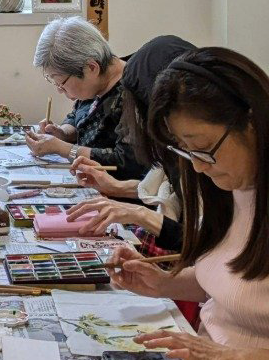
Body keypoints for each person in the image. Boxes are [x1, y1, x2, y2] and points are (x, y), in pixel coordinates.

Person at [104, 47, 269, 360]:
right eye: (186, 153)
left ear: (251, 121)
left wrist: (227, 356)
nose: (197, 169)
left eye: (203, 149)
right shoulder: (236, 183)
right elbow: (226, 276)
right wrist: (164, 283)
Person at [65, 35, 194, 247]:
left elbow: (209, 242)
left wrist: (140, 214)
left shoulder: (203, 150)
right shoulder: (178, 144)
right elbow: (172, 189)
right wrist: (117, 187)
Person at [28, 17, 146, 180]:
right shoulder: (96, 84)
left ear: (91, 68)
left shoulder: (132, 92)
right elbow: (78, 116)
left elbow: (127, 162)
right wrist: (62, 132)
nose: (60, 90)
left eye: (61, 83)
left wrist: (62, 148)